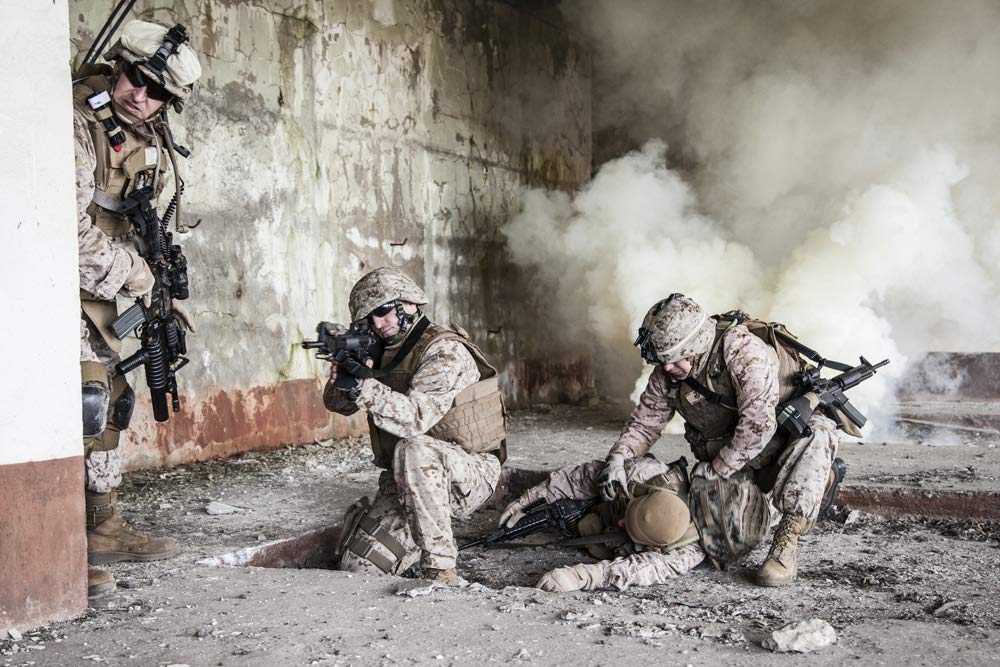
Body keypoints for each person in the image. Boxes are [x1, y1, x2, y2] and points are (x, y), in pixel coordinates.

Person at [592, 294, 844, 587]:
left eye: (671, 360)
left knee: (818, 431)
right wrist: (618, 458)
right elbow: (645, 424)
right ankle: (796, 494)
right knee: (725, 540)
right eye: (661, 362)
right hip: (733, 455)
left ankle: (788, 538)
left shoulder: (742, 352)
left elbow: (758, 425)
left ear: (693, 347)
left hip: (775, 442)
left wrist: (718, 471)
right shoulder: (669, 372)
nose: (665, 369)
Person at [75, 19, 201, 596]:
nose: (138, 95)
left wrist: (160, 294)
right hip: (56, 284)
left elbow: (152, 224)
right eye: (133, 79)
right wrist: (138, 275)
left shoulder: (152, 140)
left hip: (103, 290)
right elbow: (66, 234)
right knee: (85, 398)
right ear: (117, 67)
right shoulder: (78, 122)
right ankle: (62, 541)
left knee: (112, 397)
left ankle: (100, 523)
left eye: (155, 91)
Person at [324, 267, 507, 584]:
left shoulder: (444, 351)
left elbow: (415, 418)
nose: (378, 324)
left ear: (410, 303)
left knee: (415, 448)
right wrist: (346, 375)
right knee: (357, 571)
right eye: (369, 319)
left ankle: (441, 569)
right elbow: (337, 405)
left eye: (383, 311)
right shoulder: (380, 350)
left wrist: (365, 385)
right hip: (408, 480)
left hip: (468, 471)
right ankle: (413, 526)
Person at [500, 455, 709, 592]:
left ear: (655, 546)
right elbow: (582, 477)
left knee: (594, 537)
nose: (620, 521)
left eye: (626, 526)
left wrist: (581, 576)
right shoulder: (647, 475)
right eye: (626, 516)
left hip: (626, 544)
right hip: (613, 501)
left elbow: (635, 570)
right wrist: (529, 500)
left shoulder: (685, 555)